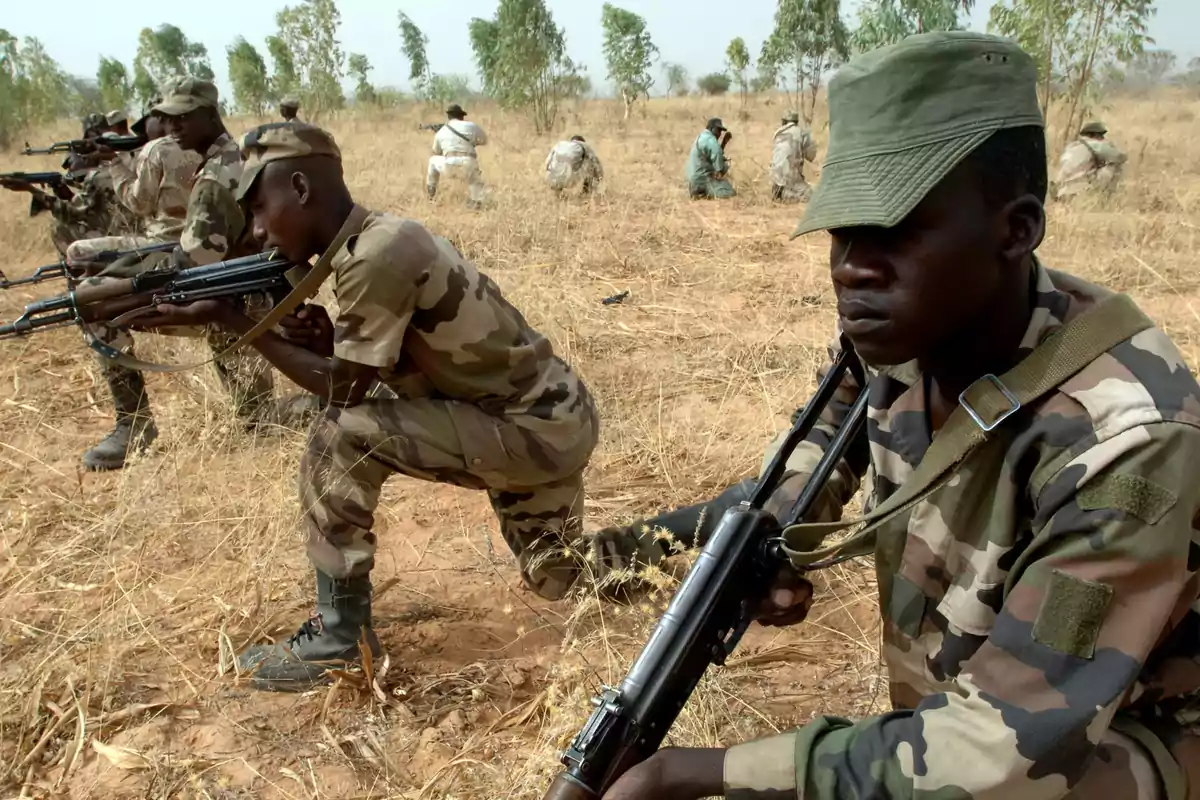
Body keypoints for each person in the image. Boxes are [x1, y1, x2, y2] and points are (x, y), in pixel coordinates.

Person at [599, 32, 1200, 800]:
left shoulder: (1129, 441)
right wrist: (780, 534)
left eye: (896, 230)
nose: (852, 265)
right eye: (844, 232)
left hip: (1114, 741)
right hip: (968, 710)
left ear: (1017, 229)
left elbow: (1006, 753)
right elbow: (829, 434)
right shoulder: (911, 328)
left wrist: (703, 773)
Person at [137, 122, 648, 692]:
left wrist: (233, 320)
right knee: (560, 575)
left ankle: (340, 637)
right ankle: (716, 524)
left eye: (260, 207)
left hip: (530, 428)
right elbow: (388, 367)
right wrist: (327, 346)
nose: (256, 231)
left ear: (301, 188)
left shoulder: (376, 254)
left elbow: (346, 395)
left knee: (341, 435)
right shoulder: (372, 241)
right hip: (545, 417)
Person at [84, 77, 275, 454]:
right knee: (261, 422)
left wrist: (120, 278)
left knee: (93, 303)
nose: (172, 128)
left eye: (182, 118)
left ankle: (133, 428)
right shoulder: (229, 158)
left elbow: (191, 262)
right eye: (168, 119)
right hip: (238, 297)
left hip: (229, 303)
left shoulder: (217, 175)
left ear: (208, 115)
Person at [54, 107, 205, 470]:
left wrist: (115, 165)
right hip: (195, 248)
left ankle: (133, 422)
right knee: (86, 263)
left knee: (88, 287)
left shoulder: (157, 151)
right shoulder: (224, 148)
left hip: (167, 246)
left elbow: (136, 203)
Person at [426, 103, 488, 206]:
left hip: (449, 166)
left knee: (432, 160)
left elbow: (436, 151)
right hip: (468, 164)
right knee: (474, 179)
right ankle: (476, 201)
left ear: (449, 116)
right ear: (462, 116)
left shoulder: (441, 131)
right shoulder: (471, 126)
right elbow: (484, 141)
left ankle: (431, 195)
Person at [1055, 120, 1128, 201]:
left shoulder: (1071, 146)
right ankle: (1107, 198)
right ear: (1094, 135)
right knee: (1113, 166)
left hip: (1062, 189)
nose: (1103, 138)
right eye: (1101, 135)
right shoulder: (1096, 145)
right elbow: (1120, 157)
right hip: (1080, 189)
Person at [770, 110, 818, 203]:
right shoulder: (802, 132)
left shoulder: (778, 133)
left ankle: (779, 192)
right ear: (796, 122)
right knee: (813, 195)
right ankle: (788, 195)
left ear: (783, 121)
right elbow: (811, 156)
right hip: (792, 177)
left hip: (775, 179)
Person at [686, 118, 735, 199]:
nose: (719, 134)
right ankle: (705, 192)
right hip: (703, 179)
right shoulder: (710, 140)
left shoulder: (701, 137)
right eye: (718, 130)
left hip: (692, 180)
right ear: (712, 128)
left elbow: (711, 155)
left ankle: (700, 192)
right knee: (730, 192)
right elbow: (717, 156)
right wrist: (721, 169)